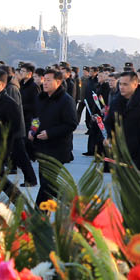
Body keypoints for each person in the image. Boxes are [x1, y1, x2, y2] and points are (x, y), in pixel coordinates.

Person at [33, 68, 79, 209]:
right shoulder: (41, 98)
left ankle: (38, 214)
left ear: (58, 82)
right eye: (44, 80)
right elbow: (35, 118)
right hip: (42, 146)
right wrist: (32, 130)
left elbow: (71, 124)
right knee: (46, 184)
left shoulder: (66, 100)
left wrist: (50, 133)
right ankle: (71, 203)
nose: (44, 83)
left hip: (58, 148)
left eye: (48, 80)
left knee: (47, 183)